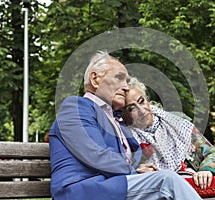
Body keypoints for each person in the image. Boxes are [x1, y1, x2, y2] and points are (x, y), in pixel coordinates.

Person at [49, 51, 202, 200]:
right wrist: (133, 172)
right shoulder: (75, 107)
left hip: (113, 188)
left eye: (127, 81)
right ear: (95, 79)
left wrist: (138, 171)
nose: (126, 87)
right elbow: (96, 155)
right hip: (81, 191)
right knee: (167, 181)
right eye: (119, 78)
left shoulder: (116, 121)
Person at [121, 77, 215, 200]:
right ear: (123, 114)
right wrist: (137, 172)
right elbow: (123, 174)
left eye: (141, 101)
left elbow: (213, 153)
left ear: (147, 99)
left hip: (199, 187)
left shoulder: (177, 121)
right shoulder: (123, 137)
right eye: (131, 108)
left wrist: (207, 170)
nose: (141, 110)